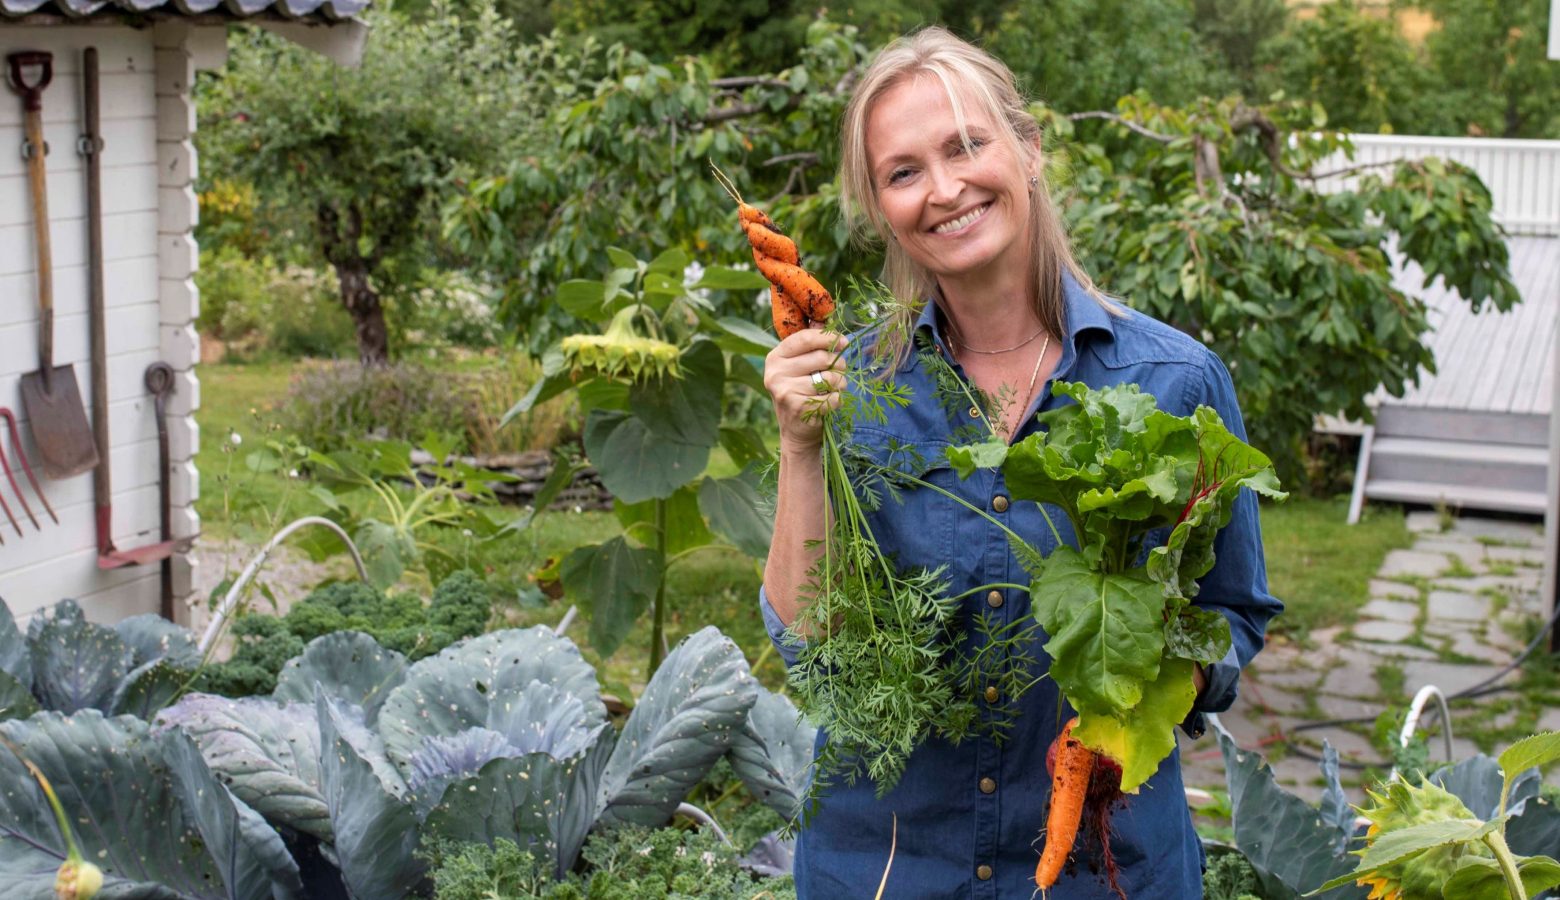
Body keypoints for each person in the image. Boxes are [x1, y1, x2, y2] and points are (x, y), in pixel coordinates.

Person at [758, 26, 1282, 899]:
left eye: (966, 146)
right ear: (880, 206)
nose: (945, 189)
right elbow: (813, 653)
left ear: (1029, 149)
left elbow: (1232, 613)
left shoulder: (1175, 382)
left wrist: (1135, 693)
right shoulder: (851, 388)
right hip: (888, 866)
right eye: (903, 172)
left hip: (1103, 869)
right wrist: (799, 446)